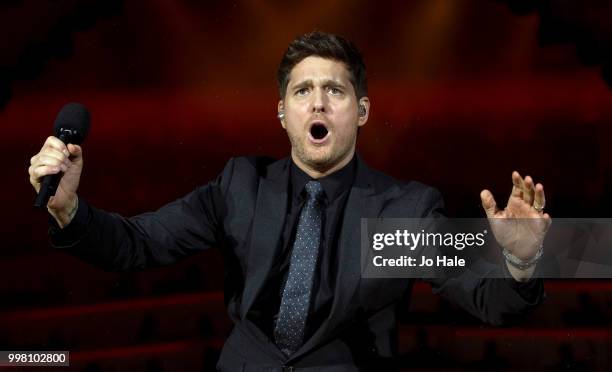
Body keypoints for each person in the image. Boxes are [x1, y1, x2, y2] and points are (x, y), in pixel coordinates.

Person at [28, 31, 550, 371]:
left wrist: (520, 260)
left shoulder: (399, 210)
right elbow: (137, 244)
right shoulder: (240, 186)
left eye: (334, 91)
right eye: (302, 92)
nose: (317, 101)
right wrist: (69, 209)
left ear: (362, 111)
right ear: (282, 112)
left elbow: (487, 301)